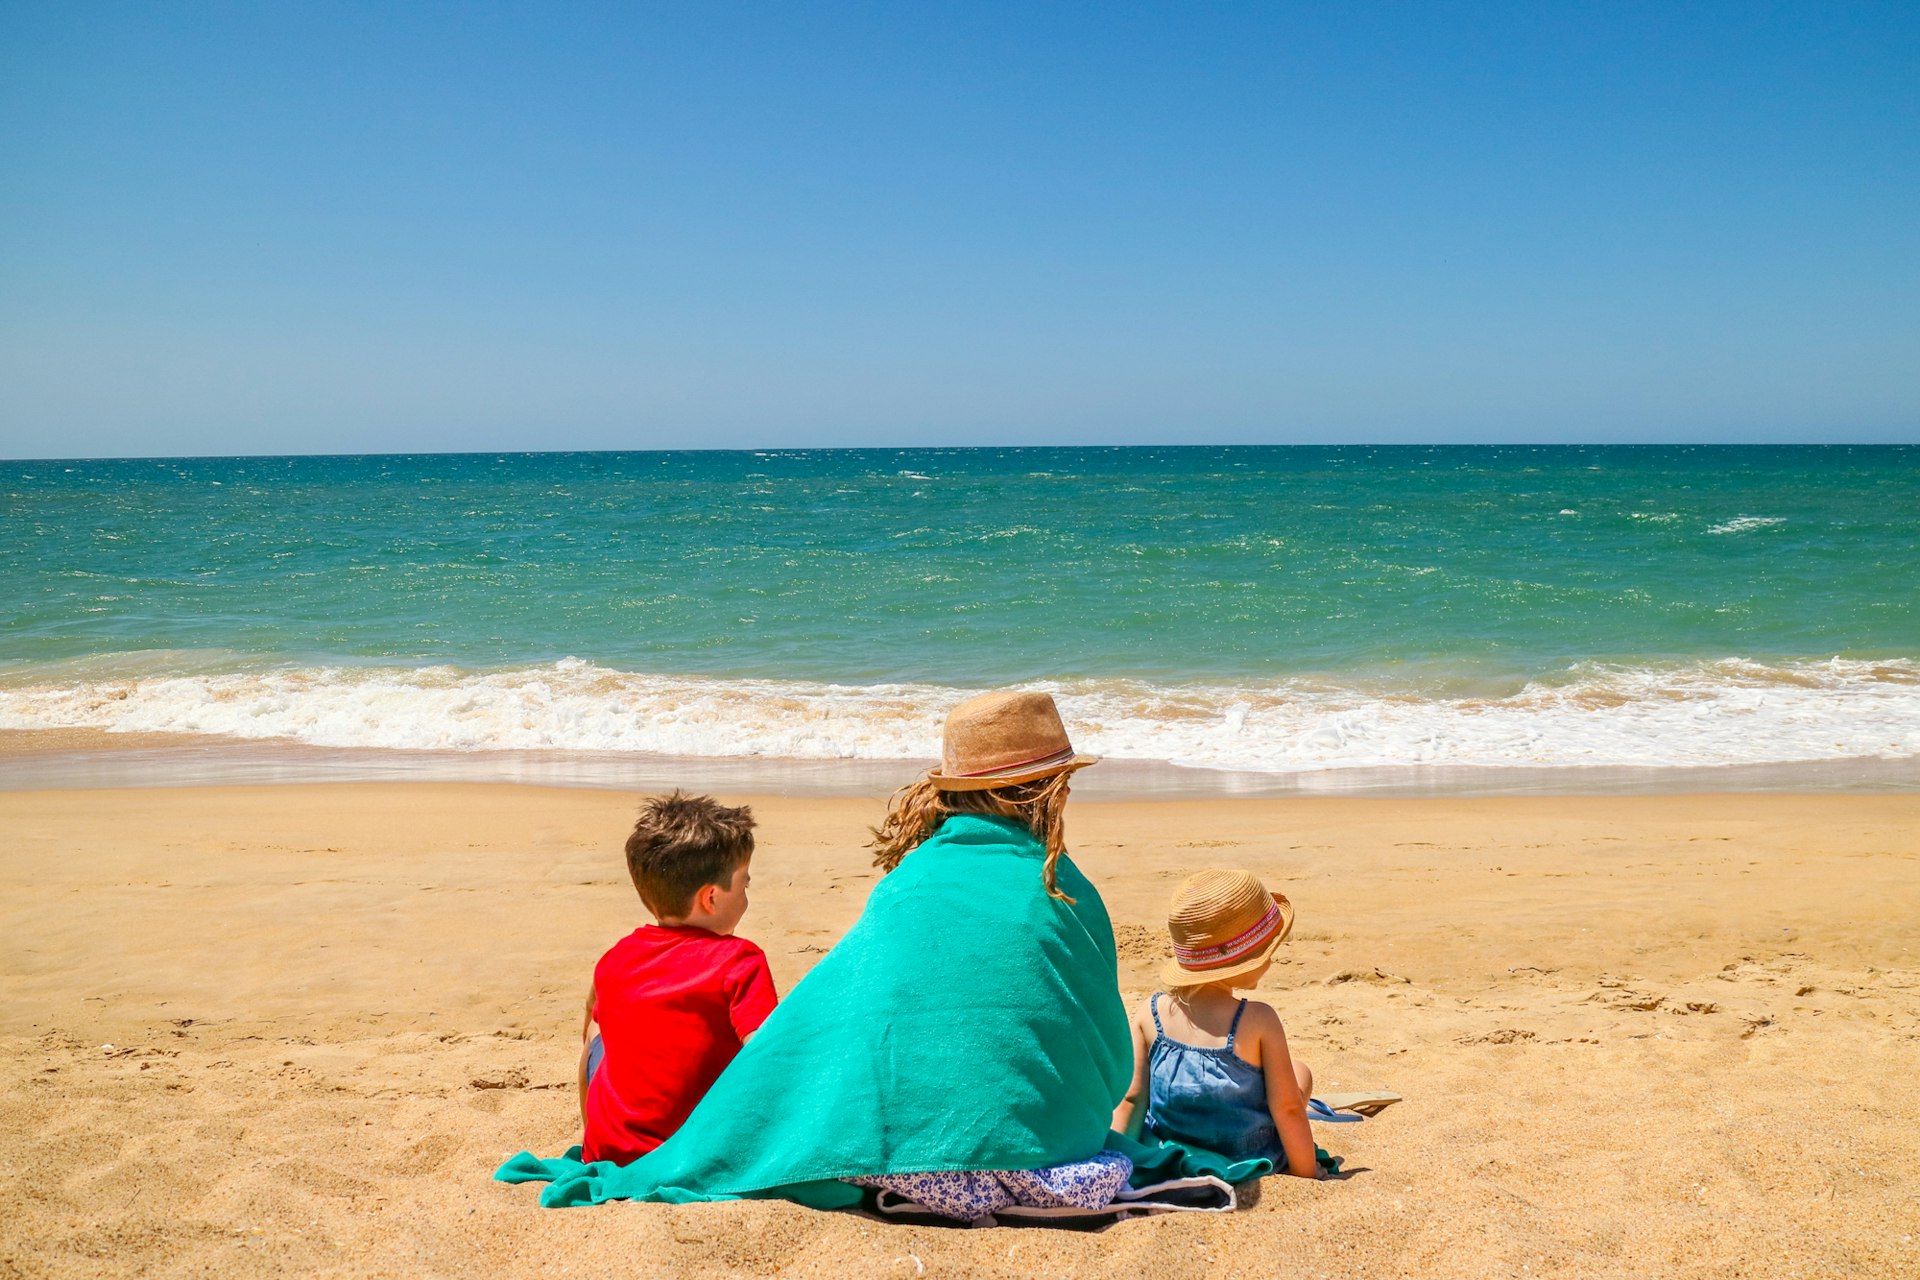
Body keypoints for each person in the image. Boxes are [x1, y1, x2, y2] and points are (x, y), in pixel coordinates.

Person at [499, 689, 1139, 1211]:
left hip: (911, 1170)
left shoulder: (907, 883)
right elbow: (1107, 1052)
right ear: (1048, 791)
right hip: (1055, 1162)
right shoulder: (1064, 886)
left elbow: (832, 1030)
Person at [577, 791, 776, 1166]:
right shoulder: (740, 959)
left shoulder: (615, 958)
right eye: (744, 885)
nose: (747, 895)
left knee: (596, 1038)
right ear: (711, 898)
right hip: (695, 1150)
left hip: (614, 1152)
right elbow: (765, 1054)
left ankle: (594, 1144)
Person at [1110, 868, 1323, 1180]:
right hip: (1244, 1155)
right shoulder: (1259, 1019)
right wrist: (1308, 1172)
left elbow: (1132, 1099)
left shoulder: (1149, 1013)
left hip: (1170, 1150)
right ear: (1242, 959)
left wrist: (1119, 1161)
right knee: (1300, 1072)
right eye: (1267, 952)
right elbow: (1289, 1109)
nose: (1272, 960)